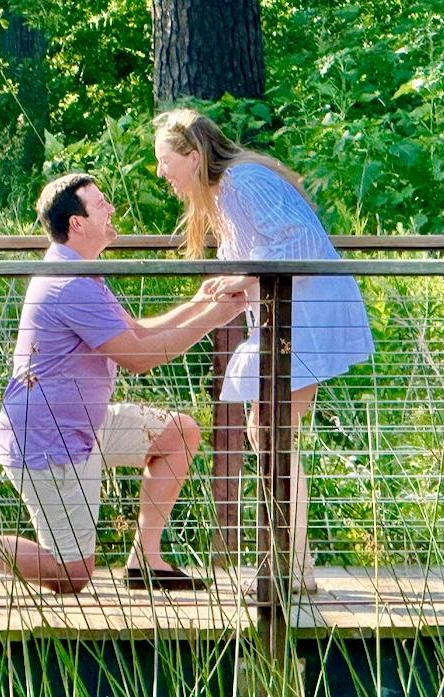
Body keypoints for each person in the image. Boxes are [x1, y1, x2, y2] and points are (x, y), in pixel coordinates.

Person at [0, 172, 246, 594]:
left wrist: (199, 304)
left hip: (85, 425)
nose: (111, 209)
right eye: (101, 204)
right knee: (71, 575)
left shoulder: (80, 271)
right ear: (77, 223)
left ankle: (146, 561)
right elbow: (140, 357)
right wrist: (215, 316)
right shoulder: (69, 284)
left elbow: (137, 331)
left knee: (178, 432)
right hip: (51, 440)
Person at [153, 109, 374, 593]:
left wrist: (243, 278)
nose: (160, 171)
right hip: (287, 320)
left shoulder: (242, 182)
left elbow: (301, 242)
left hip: (305, 318)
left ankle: (289, 565)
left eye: (165, 160)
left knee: (271, 433)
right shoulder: (223, 194)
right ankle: (295, 564)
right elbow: (247, 263)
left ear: (193, 156)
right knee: (271, 434)